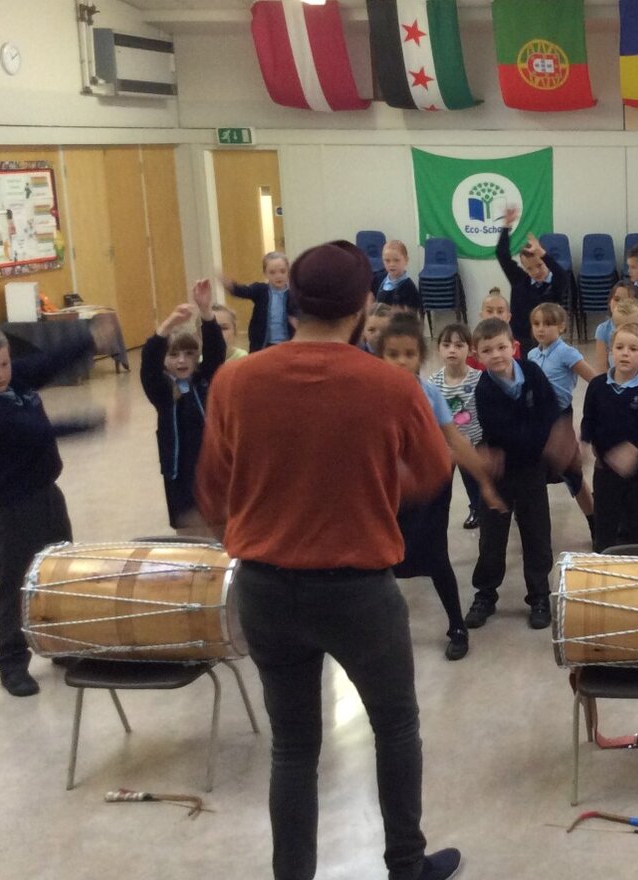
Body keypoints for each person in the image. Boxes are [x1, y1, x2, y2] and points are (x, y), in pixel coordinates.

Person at [194, 240, 462, 880]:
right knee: (395, 729)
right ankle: (406, 864)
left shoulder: (235, 379)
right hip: (357, 593)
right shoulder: (389, 386)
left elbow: (210, 495)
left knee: (292, 746)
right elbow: (431, 472)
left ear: (291, 301)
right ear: (364, 303)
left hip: (262, 588)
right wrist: (360, 486)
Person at [0, 323, 107, 697]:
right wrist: (93, 421)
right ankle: (11, 662)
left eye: (4, 364)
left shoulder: (11, 381)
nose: (0, 374)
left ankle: (60, 645)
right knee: (18, 583)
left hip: (47, 493)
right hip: (12, 507)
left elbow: (47, 363)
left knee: (58, 571)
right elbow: (33, 432)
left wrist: (87, 339)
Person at [379, 314, 501, 661]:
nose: (402, 361)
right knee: (383, 559)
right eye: (392, 354)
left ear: (420, 356)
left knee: (435, 557)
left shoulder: (428, 392)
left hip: (430, 489)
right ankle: (381, 627)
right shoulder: (372, 395)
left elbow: (456, 439)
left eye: (408, 353)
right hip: (388, 492)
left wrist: (484, 481)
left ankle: (456, 626)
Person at [467, 317, 561, 631]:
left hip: (532, 470)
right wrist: (535, 437)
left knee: (537, 533)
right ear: (477, 355)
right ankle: (485, 593)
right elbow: (501, 431)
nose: (496, 354)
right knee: (492, 538)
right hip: (500, 475)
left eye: (502, 347)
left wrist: (539, 437)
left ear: (514, 347)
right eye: (487, 350)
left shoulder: (533, 373)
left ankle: (538, 595)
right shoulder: (485, 390)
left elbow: (549, 409)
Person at [140, 279, 227, 536]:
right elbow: (148, 365)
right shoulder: (163, 392)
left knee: (220, 529)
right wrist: (166, 327)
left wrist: (206, 312)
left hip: (211, 471)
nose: (181, 360)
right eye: (174, 355)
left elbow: (216, 352)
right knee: (190, 535)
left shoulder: (204, 381)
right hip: (179, 476)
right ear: (164, 359)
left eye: (189, 354)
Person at [582, 320, 638, 550]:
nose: (625, 354)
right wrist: (584, 443)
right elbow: (588, 418)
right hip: (604, 471)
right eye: (619, 348)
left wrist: (634, 449)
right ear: (611, 351)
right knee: (605, 524)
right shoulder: (597, 386)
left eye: (633, 349)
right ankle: (605, 563)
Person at [528, 302, 598, 536]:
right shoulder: (532, 354)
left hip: (559, 420)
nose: (541, 329)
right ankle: (530, 521)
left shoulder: (567, 352)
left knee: (573, 474)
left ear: (561, 327)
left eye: (548, 324)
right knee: (533, 471)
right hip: (536, 421)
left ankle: (594, 522)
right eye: (536, 324)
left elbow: (594, 380)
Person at [430, 323, 484, 530]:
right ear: (439, 349)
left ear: (470, 350)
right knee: (442, 486)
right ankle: (439, 514)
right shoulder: (433, 382)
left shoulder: (479, 379)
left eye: (459, 345)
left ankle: (477, 509)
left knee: (473, 481)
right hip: (445, 447)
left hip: (473, 443)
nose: (452, 350)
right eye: (446, 345)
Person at [494, 206, 569, 353]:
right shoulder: (519, 279)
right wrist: (506, 227)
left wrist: (543, 254)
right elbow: (502, 254)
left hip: (547, 342)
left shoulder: (554, 284)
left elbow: (562, 276)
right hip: (519, 340)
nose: (535, 272)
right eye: (529, 268)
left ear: (545, 261)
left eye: (539, 265)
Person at [224, 250, 295, 353]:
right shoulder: (260, 290)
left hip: (288, 343)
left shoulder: (294, 293)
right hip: (263, 343)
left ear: (288, 272)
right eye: (272, 272)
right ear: (265, 273)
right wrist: (231, 286)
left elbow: (302, 311)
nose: (278, 276)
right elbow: (244, 291)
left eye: (282, 271)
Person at [467, 293, 521, 368]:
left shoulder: (514, 344)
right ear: (481, 315)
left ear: (508, 317)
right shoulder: (472, 346)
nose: (495, 315)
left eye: (500, 311)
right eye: (489, 311)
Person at [593, 281, 638, 367]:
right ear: (610, 302)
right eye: (616, 299)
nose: (620, 304)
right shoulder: (603, 329)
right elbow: (601, 367)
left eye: (626, 301)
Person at [372, 240, 422, 313]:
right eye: (387, 260)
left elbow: (411, 316)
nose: (392, 264)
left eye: (396, 260)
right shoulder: (379, 279)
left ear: (406, 260)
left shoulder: (409, 287)